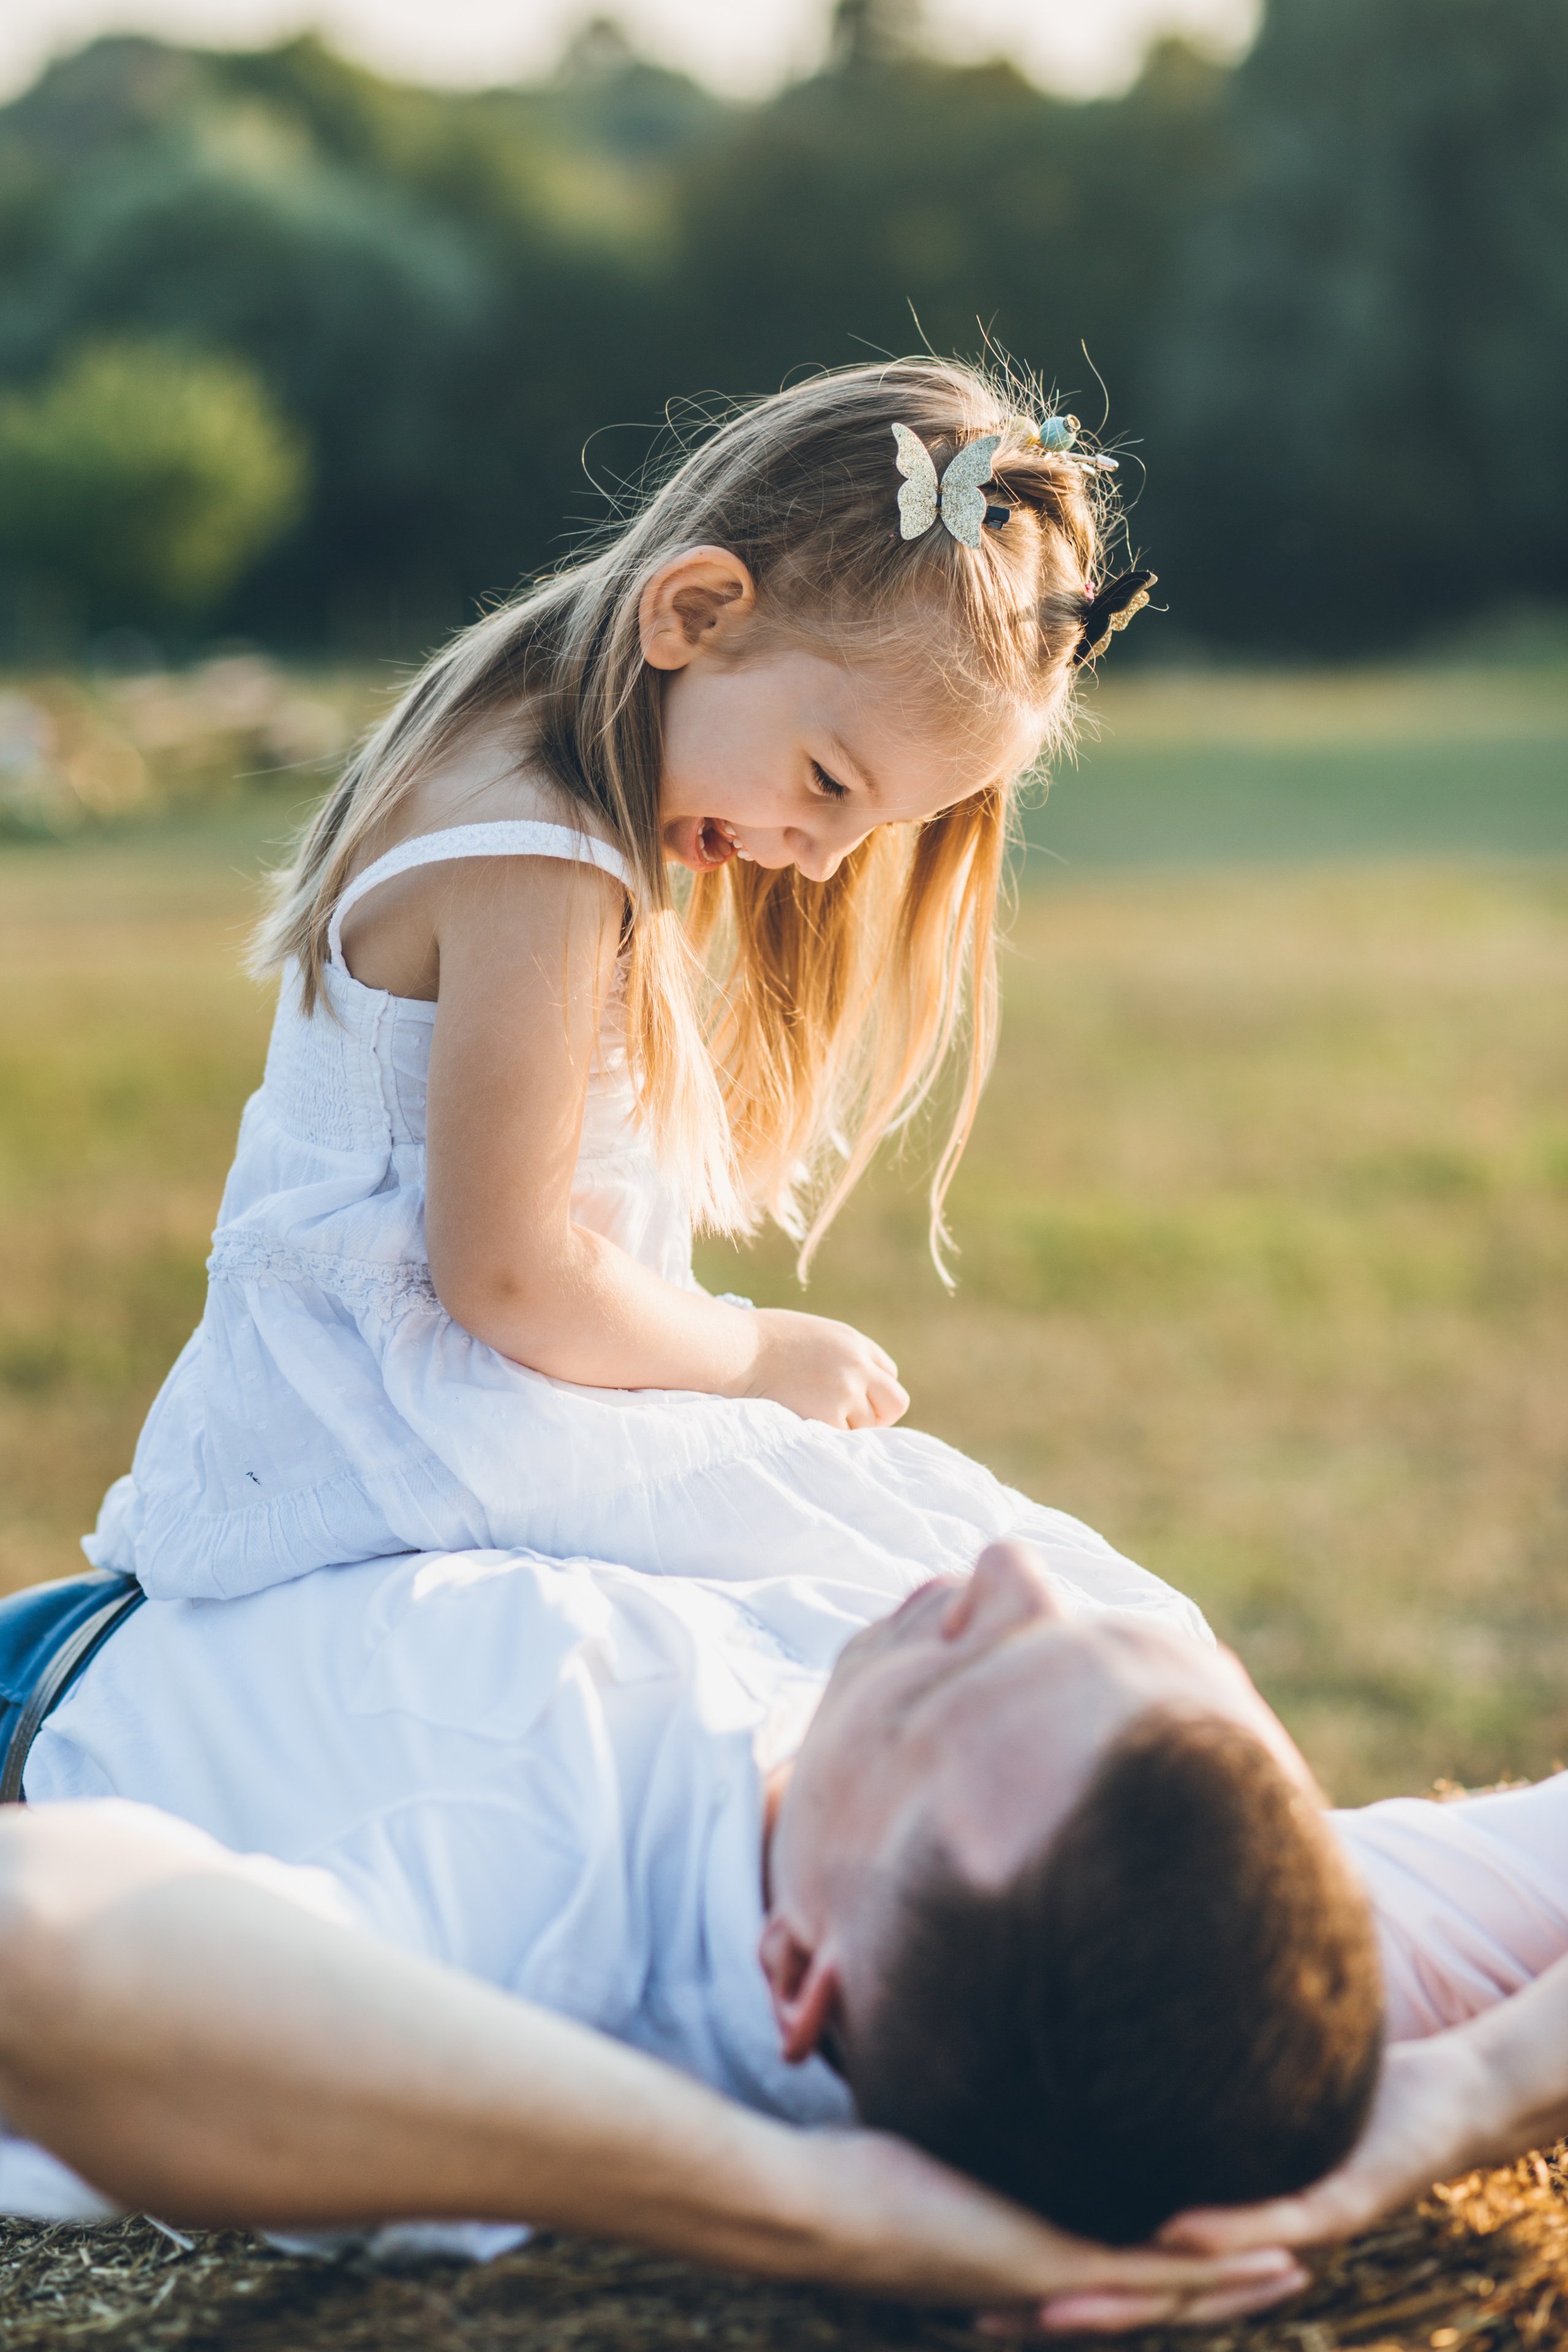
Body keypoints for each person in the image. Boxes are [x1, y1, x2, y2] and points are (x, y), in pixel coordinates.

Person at [81, 359, 1161, 1606]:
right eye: (826, 783)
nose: (821, 860)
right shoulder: (538, 857)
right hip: (424, 1452)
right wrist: (755, 1353)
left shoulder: (501, 740)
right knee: (981, 1600)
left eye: (875, 824)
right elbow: (510, 1275)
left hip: (414, 1428)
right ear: (693, 615)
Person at [7, 1529, 1537, 2336]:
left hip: (60, 1683)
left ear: (800, 1973)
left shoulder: (526, 1913)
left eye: (953, 1689)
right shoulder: (1210, 1951)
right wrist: (1460, 2096)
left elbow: (42, 1943)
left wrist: (807, 2204)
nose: (1013, 1575)